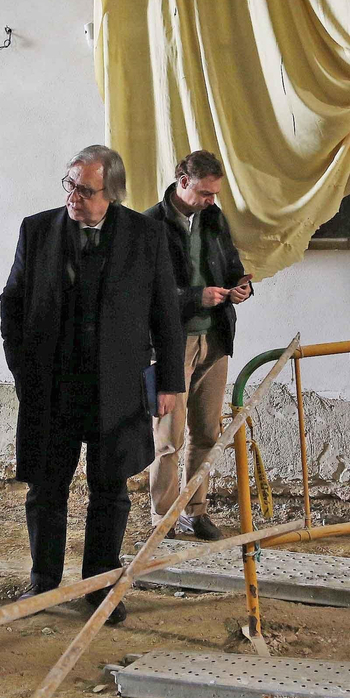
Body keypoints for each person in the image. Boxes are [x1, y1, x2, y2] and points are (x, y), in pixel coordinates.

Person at [0, 145, 184, 624]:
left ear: (112, 194)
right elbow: (11, 302)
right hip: (52, 388)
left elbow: (166, 313)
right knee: (46, 489)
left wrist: (169, 381)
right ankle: (43, 583)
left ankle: (101, 585)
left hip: (116, 389)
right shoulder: (37, 230)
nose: (73, 197)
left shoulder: (145, 235)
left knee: (110, 489)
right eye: (70, 185)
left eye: (85, 190)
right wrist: (22, 369)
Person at [143, 150, 252, 540]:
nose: (211, 200)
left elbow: (232, 265)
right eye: (205, 193)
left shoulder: (214, 218)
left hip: (216, 338)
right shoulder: (149, 225)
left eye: (215, 194)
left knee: (206, 433)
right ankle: (163, 519)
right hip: (171, 345)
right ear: (183, 181)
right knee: (167, 439)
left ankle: (195, 511)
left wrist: (242, 286)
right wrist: (195, 298)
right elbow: (143, 293)